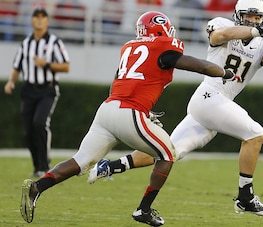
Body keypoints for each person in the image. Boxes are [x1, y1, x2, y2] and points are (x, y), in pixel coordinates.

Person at [88, 0, 263, 217]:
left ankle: (110, 166)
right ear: (238, 15)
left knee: (169, 151)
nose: (253, 21)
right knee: (255, 134)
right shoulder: (222, 24)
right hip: (209, 97)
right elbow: (219, 36)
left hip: (217, 103)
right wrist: (253, 31)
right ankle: (245, 197)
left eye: (257, 17)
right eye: (249, 16)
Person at [19, 10, 240, 226]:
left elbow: (117, 81)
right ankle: (143, 209)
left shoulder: (130, 48)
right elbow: (200, 66)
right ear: (160, 29)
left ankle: (37, 187)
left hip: (108, 108)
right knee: (168, 154)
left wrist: (136, 109)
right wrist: (225, 73)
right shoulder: (164, 48)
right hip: (128, 111)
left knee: (80, 160)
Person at [4, 8, 70, 177]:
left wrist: (46, 64)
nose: (39, 20)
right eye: (36, 17)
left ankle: (45, 163)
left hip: (47, 89)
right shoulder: (26, 43)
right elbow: (16, 66)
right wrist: (11, 81)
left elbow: (65, 66)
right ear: (32, 21)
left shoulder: (55, 42)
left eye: (43, 17)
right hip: (28, 89)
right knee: (28, 130)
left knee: (40, 123)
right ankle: (37, 166)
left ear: (47, 21)